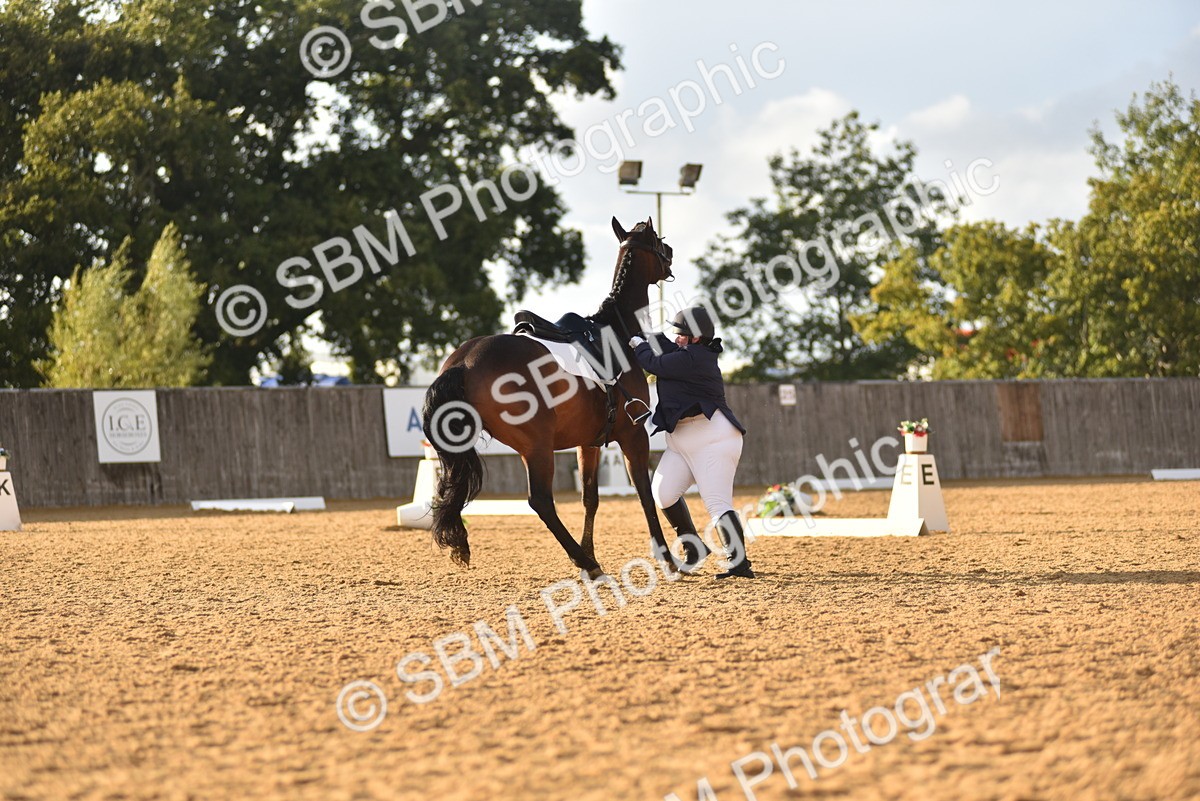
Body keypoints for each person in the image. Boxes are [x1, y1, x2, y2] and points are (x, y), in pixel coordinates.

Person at [628, 307, 754, 579]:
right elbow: (662, 345)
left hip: (714, 439)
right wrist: (646, 329)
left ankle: (740, 563)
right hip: (682, 441)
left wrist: (639, 345)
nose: (677, 338)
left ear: (696, 338)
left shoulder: (695, 358)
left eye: (682, 335)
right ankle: (694, 547)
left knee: (717, 504)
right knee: (663, 494)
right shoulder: (684, 351)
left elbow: (655, 363)